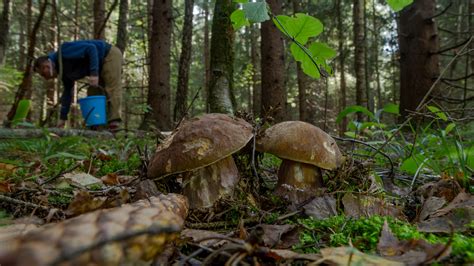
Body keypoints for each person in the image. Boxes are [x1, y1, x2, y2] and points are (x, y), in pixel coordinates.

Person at [34, 40, 122, 131]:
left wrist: (94, 74)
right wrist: (62, 118)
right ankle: (97, 127)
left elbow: (91, 48)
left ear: (46, 66)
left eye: (43, 74)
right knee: (94, 92)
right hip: (98, 65)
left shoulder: (64, 51)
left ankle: (114, 124)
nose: (45, 78)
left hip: (108, 55)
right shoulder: (63, 72)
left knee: (112, 88)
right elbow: (67, 93)